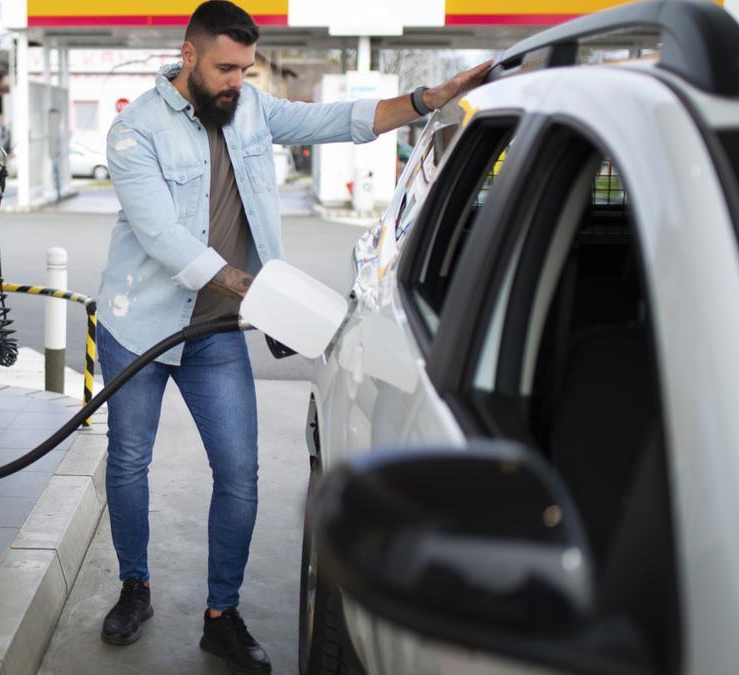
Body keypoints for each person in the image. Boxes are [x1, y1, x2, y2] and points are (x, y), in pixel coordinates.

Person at [94, 2, 490, 671]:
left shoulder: (248, 106)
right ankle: (135, 584)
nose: (237, 82)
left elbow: (336, 119)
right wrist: (258, 289)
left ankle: (223, 613)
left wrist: (426, 100)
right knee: (130, 460)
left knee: (241, 472)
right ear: (188, 56)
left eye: (246, 69)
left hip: (215, 333)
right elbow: (161, 236)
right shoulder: (134, 131)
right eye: (225, 67)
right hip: (140, 325)